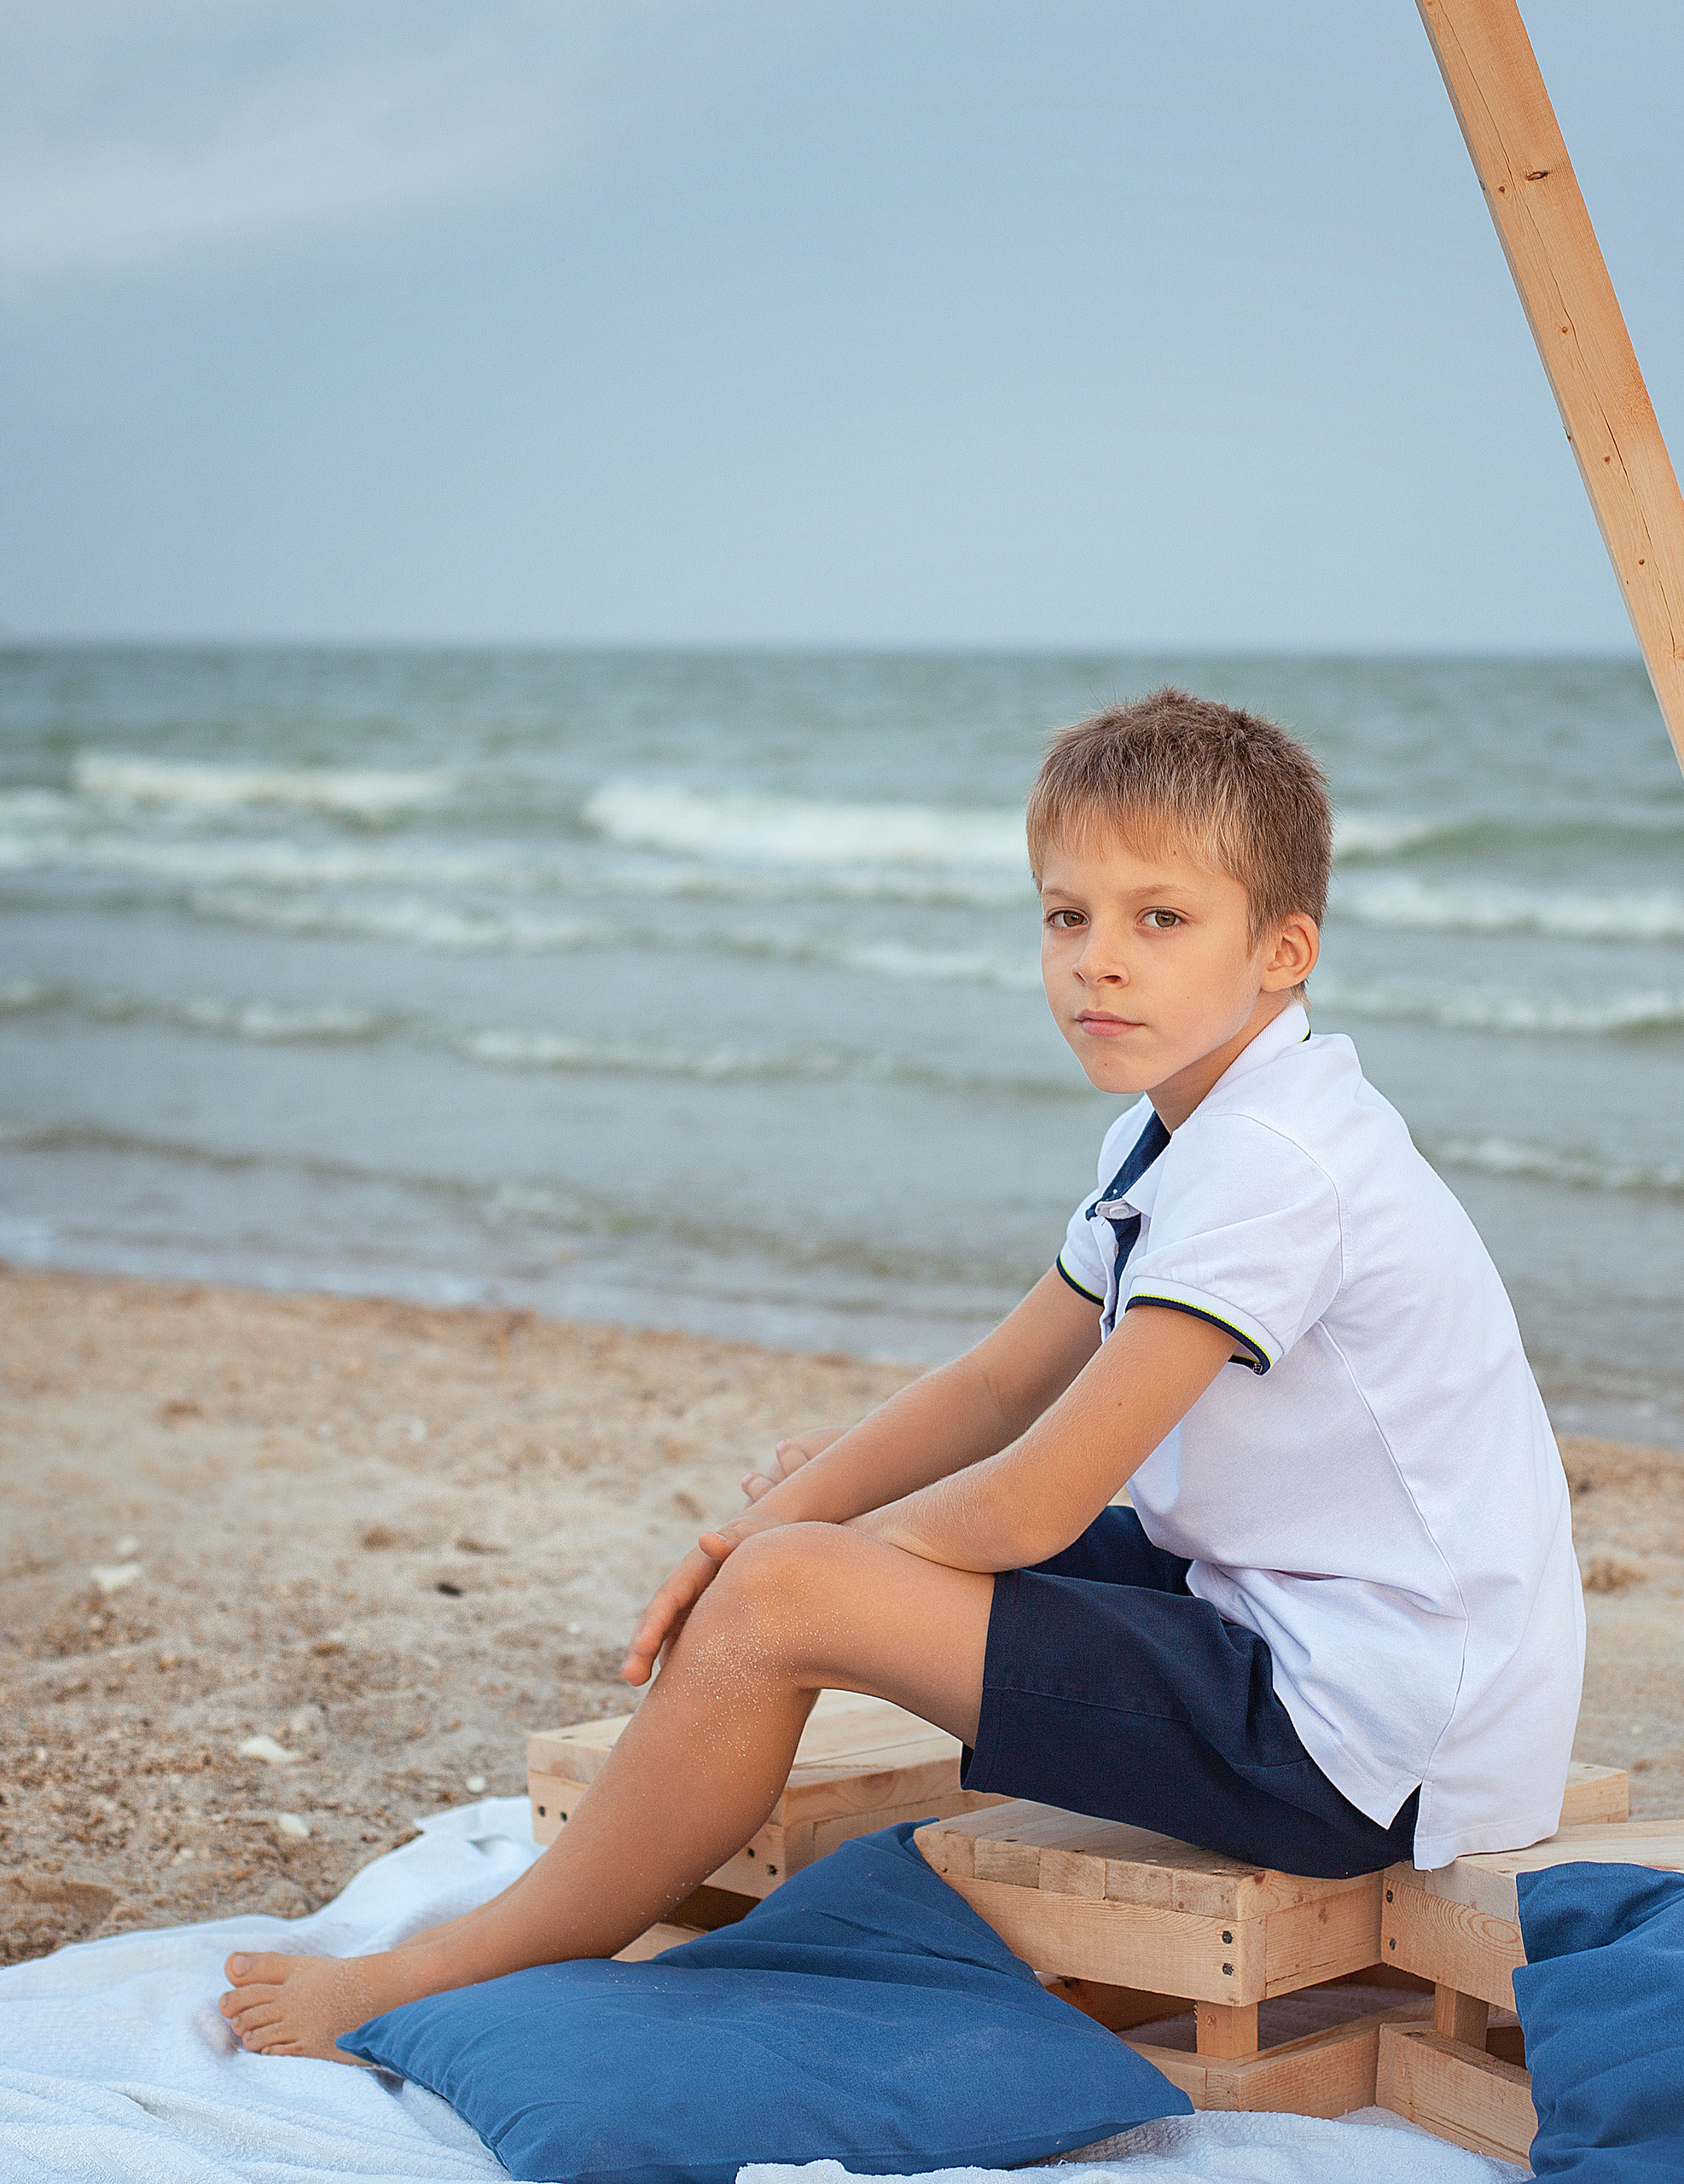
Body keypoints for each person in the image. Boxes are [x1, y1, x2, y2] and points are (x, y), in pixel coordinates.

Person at [220, 688, 1585, 2062]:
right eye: (1067, 917)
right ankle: (652, 1790)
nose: (1099, 963)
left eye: (1160, 919)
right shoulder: (1179, 1132)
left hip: (1369, 1743)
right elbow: (995, 1387)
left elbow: (1034, 1501)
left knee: (795, 1590)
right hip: (1292, 1619)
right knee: (806, 1525)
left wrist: (789, 1579)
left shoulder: (1276, 1166)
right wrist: (766, 1531)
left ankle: (445, 1972)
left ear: (1283, 949)